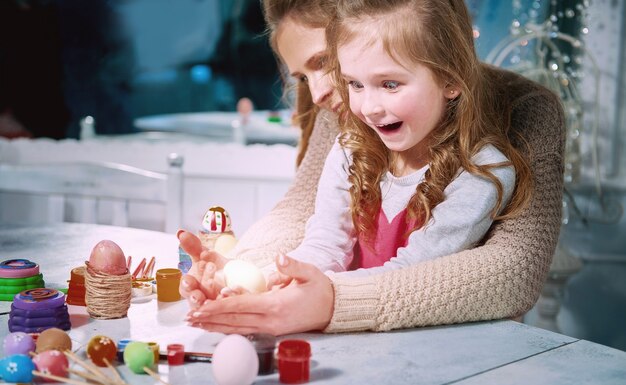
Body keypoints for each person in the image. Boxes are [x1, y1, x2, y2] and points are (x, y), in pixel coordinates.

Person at [180, 0, 564, 336]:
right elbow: (316, 231)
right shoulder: (354, 136)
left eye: (390, 84)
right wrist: (247, 275)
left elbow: (491, 268)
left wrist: (327, 299)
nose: (364, 105)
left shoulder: (486, 163)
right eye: (353, 83)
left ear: (451, 79)